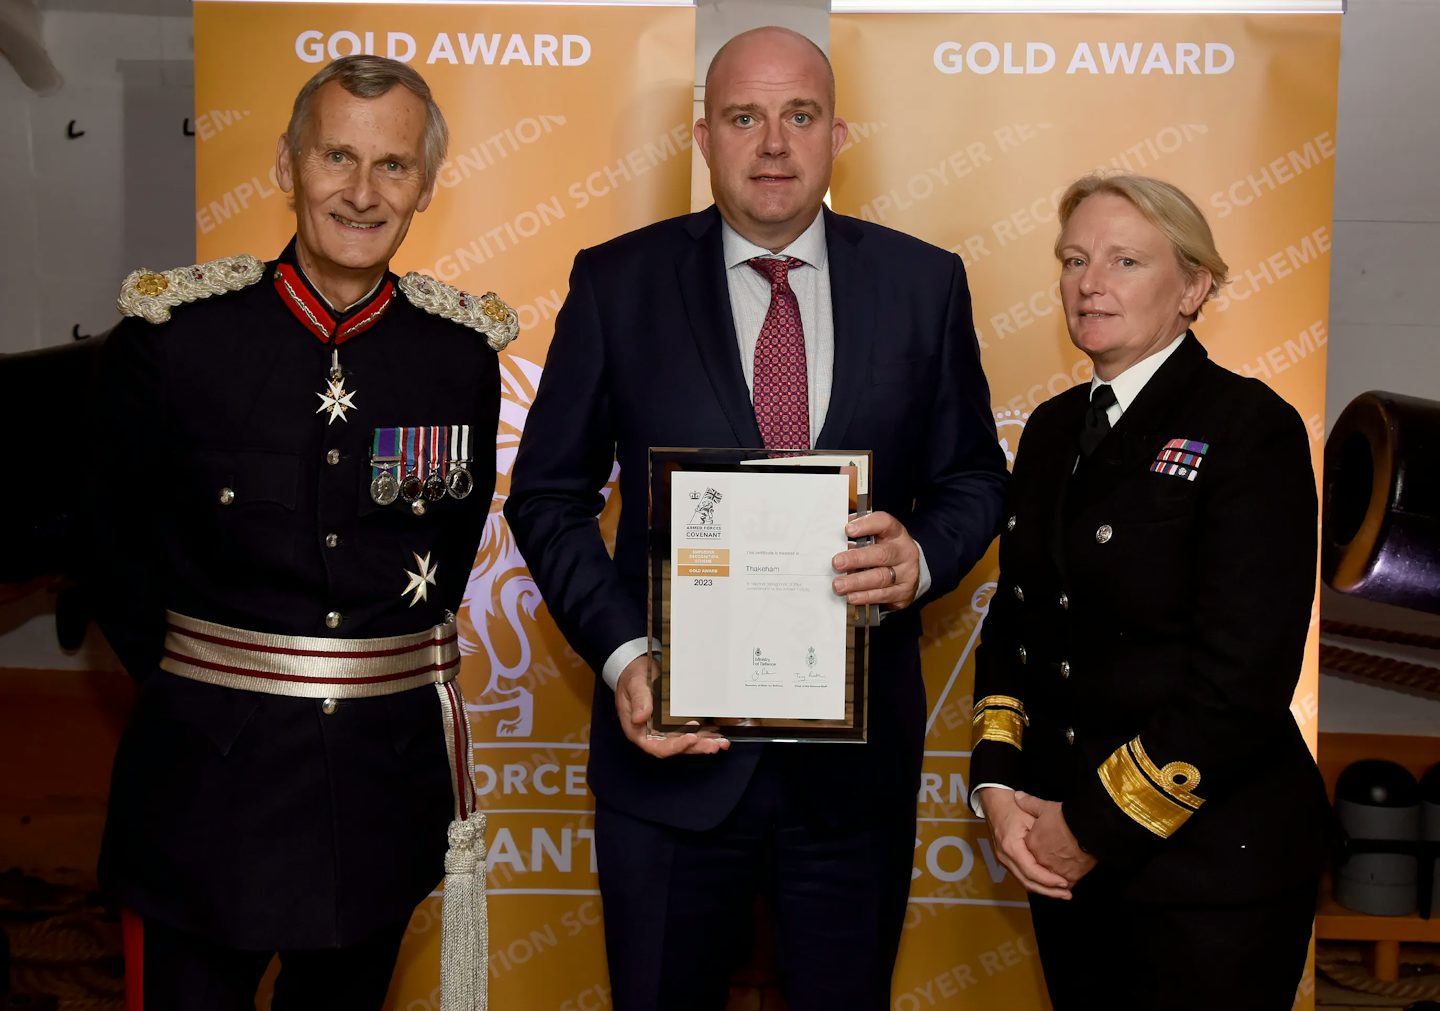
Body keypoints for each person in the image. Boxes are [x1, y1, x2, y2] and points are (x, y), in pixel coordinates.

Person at [504, 25, 1007, 1011]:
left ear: (837, 134)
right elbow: (548, 495)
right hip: (671, 764)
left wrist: (921, 560)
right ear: (704, 137)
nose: (773, 144)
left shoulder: (924, 283)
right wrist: (620, 655)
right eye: (745, 117)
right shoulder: (618, 283)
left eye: (799, 116)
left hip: (854, 780)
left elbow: (975, 480)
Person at [91, 55, 516, 1010]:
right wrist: (198, 698)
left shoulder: (458, 359)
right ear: (287, 164)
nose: (362, 193)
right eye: (337, 157)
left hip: (377, 790)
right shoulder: (172, 341)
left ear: (425, 186)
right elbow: (109, 551)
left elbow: (438, 567)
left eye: (393, 166)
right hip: (208, 790)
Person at [969, 174, 1331, 1010]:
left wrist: (1090, 825)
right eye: (1073, 260)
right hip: (1064, 860)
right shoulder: (1054, 429)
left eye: (1125, 260)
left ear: (1194, 288)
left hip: (1208, 875)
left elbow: (1239, 684)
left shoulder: (1250, 430)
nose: (1090, 283)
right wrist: (997, 783)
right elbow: (1018, 626)